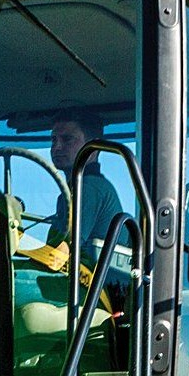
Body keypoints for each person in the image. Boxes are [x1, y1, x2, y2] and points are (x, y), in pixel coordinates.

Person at [46, 110, 124, 265]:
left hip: (89, 285)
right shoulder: (72, 192)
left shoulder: (89, 188)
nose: (57, 147)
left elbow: (61, 253)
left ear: (93, 146)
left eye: (67, 139)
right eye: (54, 140)